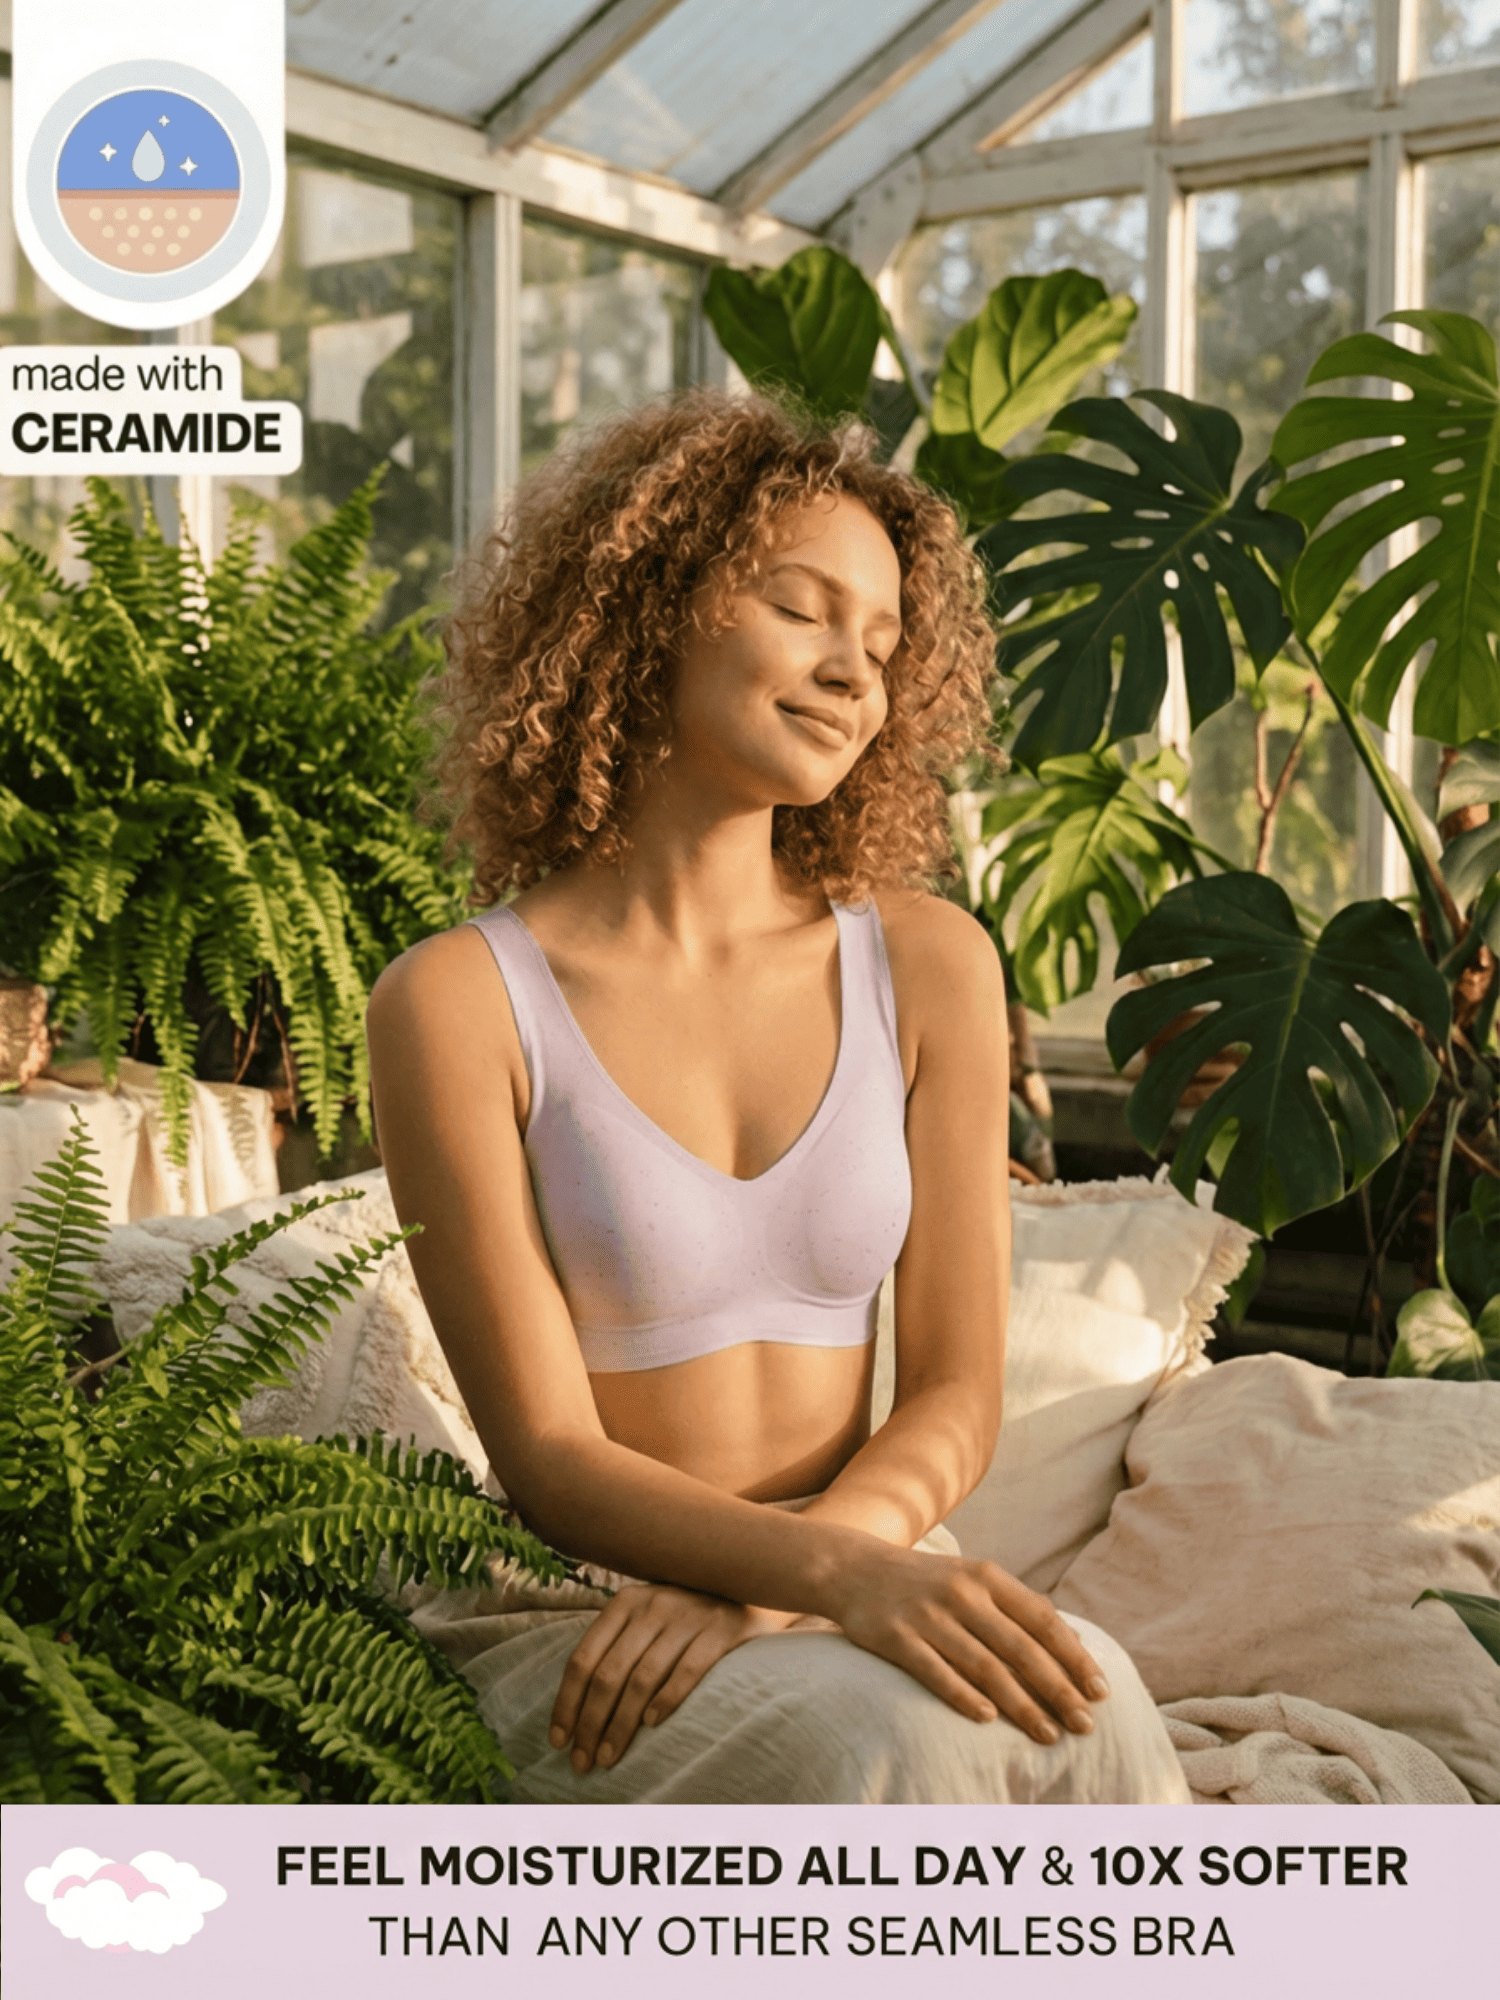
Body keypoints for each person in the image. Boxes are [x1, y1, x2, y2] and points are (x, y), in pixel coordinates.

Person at [366, 389, 1189, 1805]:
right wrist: (808, 1584)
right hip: (587, 1617)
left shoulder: (929, 963)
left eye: (881, 646)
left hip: (859, 1562)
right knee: (891, 1741)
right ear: (651, 603)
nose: (852, 673)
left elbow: (954, 1392)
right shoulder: (453, 1002)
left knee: (1091, 1694)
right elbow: (548, 1454)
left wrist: (813, 1579)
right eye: (805, 610)